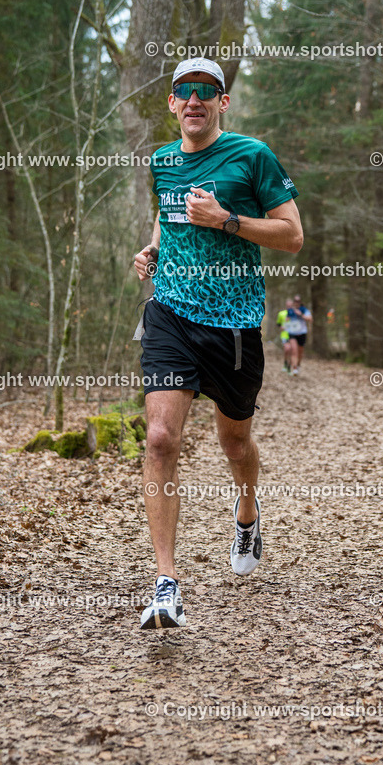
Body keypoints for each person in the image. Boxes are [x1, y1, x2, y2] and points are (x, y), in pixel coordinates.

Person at [133, 57, 303, 629]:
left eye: (207, 91)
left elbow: (293, 236)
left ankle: (248, 511)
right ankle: (165, 585)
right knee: (159, 439)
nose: (194, 100)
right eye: (184, 91)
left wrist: (226, 220)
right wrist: (153, 249)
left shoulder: (252, 156)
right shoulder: (160, 161)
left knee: (234, 444)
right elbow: (166, 217)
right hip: (171, 314)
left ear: (223, 102)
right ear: (173, 103)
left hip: (234, 326)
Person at [285, 294, 311, 374]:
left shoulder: (304, 309)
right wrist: (286, 324)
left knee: (300, 352)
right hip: (292, 333)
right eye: (295, 301)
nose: (297, 303)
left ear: (300, 302)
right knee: (294, 350)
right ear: (294, 302)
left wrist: (301, 314)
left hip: (302, 333)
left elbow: (310, 319)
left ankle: (298, 364)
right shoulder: (290, 310)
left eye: (298, 301)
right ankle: (295, 367)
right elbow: (286, 320)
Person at [276, 299, 292, 372]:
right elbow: (278, 324)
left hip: (293, 335)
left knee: (291, 351)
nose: (289, 307)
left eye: (290, 306)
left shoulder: (294, 314)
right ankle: (285, 364)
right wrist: (281, 327)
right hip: (284, 335)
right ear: (286, 305)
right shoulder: (281, 313)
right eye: (288, 305)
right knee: (286, 349)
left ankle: (289, 367)